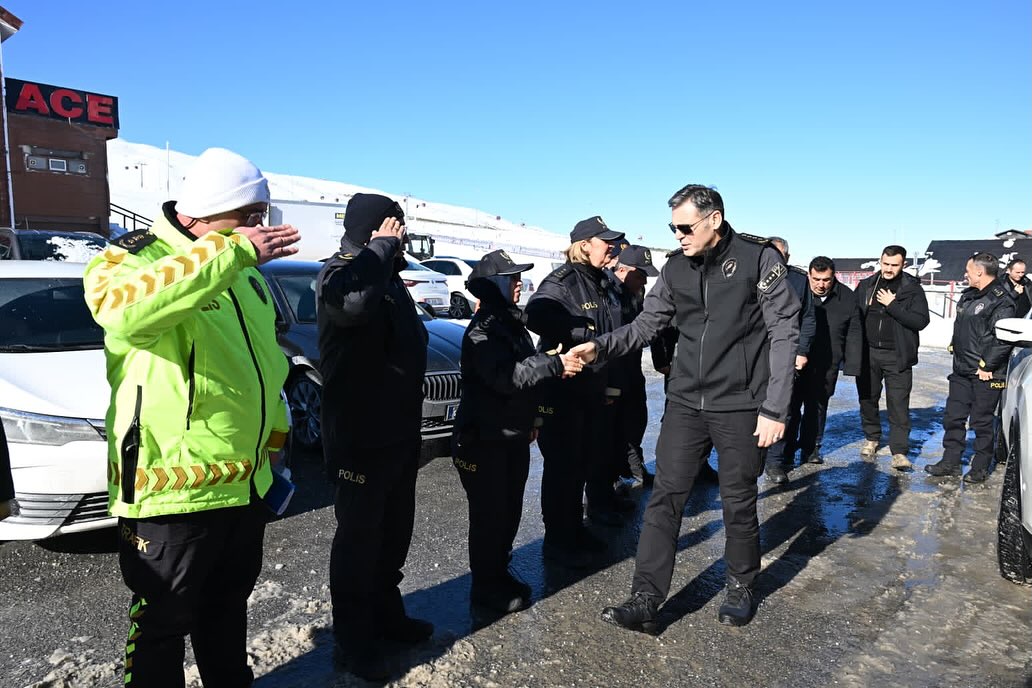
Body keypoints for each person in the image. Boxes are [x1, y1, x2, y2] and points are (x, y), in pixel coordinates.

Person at [83, 147, 299, 687]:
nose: (258, 230)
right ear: (202, 214)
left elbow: (264, 367)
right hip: (172, 491)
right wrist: (227, 253)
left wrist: (276, 439)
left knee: (227, 611)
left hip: (243, 484)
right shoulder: (129, 258)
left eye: (261, 218)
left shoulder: (244, 273)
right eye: (247, 218)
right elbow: (122, 313)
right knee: (162, 624)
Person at [572, 184, 800, 628]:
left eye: (684, 226)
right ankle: (645, 596)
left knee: (737, 500)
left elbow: (784, 332)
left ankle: (740, 584)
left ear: (713, 218)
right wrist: (599, 348)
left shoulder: (758, 259)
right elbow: (645, 326)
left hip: (740, 404)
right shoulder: (676, 269)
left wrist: (775, 408)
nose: (677, 235)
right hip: (685, 403)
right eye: (672, 227)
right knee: (665, 499)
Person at [316, 193, 432, 682]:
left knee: (393, 532)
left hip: (397, 430)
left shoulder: (384, 272)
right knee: (360, 542)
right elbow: (354, 305)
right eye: (396, 227)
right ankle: (353, 640)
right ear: (377, 228)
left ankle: (387, 615)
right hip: (359, 434)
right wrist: (381, 249)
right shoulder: (342, 272)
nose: (403, 235)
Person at [452, 249, 584, 613]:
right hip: (484, 440)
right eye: (511, 278)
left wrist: (533, 420)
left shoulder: (509, 323)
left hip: (510, 435)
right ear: (493, 284)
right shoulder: (485, 328)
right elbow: (507, 377)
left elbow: (526, 377)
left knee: (508, 513)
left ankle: (498, 573)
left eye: (519, 277)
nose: (519, 283)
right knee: (489, 517)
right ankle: (485, 587)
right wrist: (553, 364)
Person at [525, 215, 624, 567]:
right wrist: (579, 334)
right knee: (562, 469)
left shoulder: (601, 281)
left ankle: (573, 528)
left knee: (582, 463)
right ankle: (558, 540)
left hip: (591, 390)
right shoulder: (564, 281)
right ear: (585, 245)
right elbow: (536, 314)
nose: (611, 247)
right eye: (604, 241)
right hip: (562, 391)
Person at [925, 253, 1014, 483]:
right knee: (953, 418)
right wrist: (956, 343)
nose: (965, 274)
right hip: (962, 370)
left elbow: (1002, 338)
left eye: (968, 270)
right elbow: (966, 326)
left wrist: (988, 364)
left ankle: (980, 467)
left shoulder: (1001, 300)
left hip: (985, 373)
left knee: (981, 422)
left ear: (979, 272)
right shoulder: (968, 296)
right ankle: (950, 462)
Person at [855, 245, 930, 471]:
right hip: (868, 353)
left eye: (894, 265)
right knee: (868, 399)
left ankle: (899, 451)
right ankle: (872, 438)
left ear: (903, 264)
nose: (888, 269)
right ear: (880, 261)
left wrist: (893, 305)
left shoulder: (912, 288)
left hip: (897, 355)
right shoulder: (867, 285)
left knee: (898, 404)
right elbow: (854, 316)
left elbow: (920, 321)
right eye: (885, 264)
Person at [604, 245, 659, 490]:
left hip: (632, 372)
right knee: (612, 431)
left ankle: (633, 469)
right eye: (641, 275)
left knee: (636, 423)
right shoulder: (608, 294)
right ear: (624, 271)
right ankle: (612, 481)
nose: (644, 281)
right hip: (612, 375)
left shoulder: (635, 294)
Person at [764, 237, 816, 484]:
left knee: (784, 406)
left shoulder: (798, 279)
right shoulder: (753, 275)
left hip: (787, 352)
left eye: (780, 256)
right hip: (756, 352)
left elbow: (808, 318)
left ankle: (775, 461)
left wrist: (802, 350)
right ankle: (752, 456)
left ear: (787, 257)